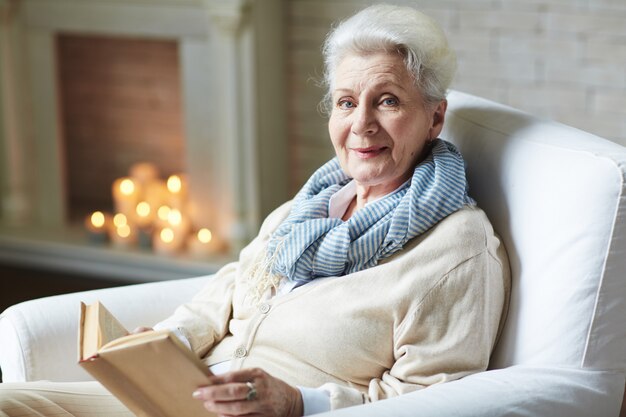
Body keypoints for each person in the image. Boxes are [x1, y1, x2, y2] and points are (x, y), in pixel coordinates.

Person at [0, 4, 510, 417]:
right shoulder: (315, 203)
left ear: (435, 117)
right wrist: (168, 341)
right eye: (347, 102)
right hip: (183, 394)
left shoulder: (459, 249)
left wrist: (294, 404)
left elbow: (435, 401)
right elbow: (230, 286)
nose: (362, 125)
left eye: (389, 101)